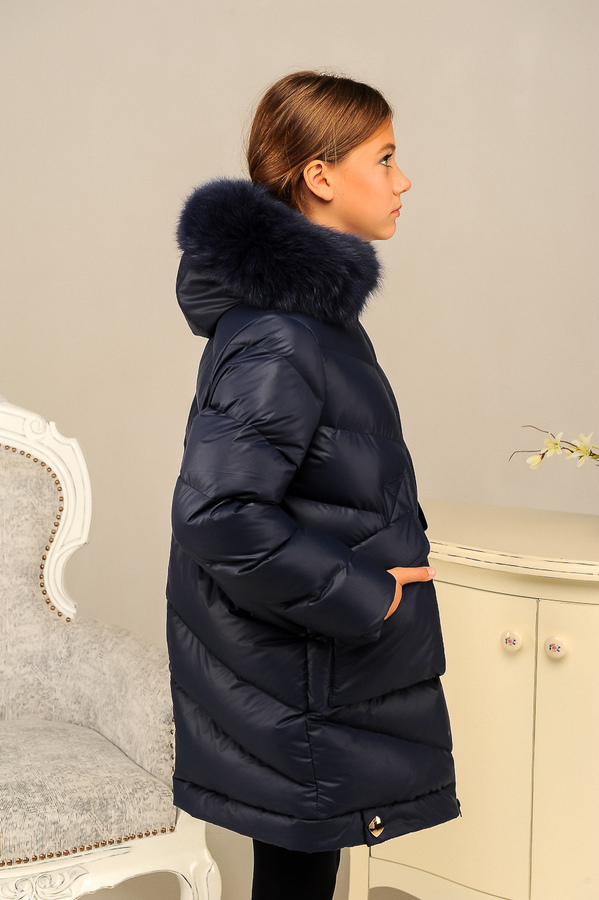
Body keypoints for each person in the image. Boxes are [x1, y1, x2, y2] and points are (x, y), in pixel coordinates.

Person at [167, 71, 460, 900]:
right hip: (302, 669)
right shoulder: (281, 333)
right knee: (297, 879)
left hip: (306, 668)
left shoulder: (308, 321)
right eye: (385, 158)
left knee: (298, 874)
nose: (402, 180)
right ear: (320, 176)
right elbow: (219, 514)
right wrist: (369, 596)